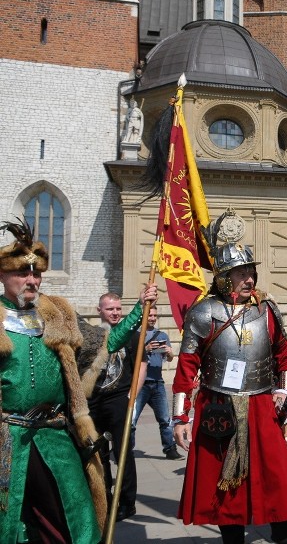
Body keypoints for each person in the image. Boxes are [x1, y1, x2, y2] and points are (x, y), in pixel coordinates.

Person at [172, 210, 287, 544]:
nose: (249, 279)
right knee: (225, 494)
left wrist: (284, 392)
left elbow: (286, 357)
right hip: (218, 408)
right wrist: (179, 417)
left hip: (262, 406)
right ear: (223, 277)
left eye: (251, 272)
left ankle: (285, 537)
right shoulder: (204, 313)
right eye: (241, 273)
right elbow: (187, 368)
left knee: (278, 485)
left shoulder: (267, 310)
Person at [0, 219, 108, 543]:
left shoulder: (57, 314)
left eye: (36, 273)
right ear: (3, 275)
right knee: (11, 525)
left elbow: (105, 343)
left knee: (78, 522)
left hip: (55, 435)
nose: (31, 280)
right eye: (23, 273)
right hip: (8, 439)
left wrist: (137, 316)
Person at [88, 285, 158, 523]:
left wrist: (132, 396)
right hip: (95, 400)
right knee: (98, 452)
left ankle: (127, 502)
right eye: (110, 309)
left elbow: (141, 366)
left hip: (119, 398)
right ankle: (103, 497)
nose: (115, 313)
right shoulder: (94, 336)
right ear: (100, 311)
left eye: (118, 308)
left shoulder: (133, 335)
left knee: (123, 451)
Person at [129, 304, 183, 460]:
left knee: (165, 419)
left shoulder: (162, 335)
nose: (152, 318)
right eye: (149, 315)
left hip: (158, 383)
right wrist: (145, 349)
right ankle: (126, 451)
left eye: (154, 316)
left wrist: (170, 353)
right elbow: (130, 359)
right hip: (140, 384)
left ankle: (170, 450)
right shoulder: (135, 335)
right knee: (132, 421)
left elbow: (169, 359)